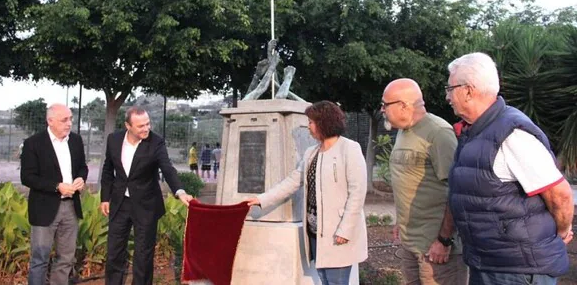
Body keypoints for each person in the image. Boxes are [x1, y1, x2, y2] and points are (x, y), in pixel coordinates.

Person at [445, 52, 574, 285]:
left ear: (468, 90)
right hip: (490, 265)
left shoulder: (512, 135)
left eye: (450, 88)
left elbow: (560, 195)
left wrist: (561, 232)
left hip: (518, 271)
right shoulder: (475, 132)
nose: (448, 96)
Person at [246, 101, 367, 285]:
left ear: (323, 122)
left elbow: (357, 193)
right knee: (325, 279)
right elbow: (293, 181)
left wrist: (345, 230)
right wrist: (261, 199)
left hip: (338, 232)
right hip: (316, 232)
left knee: (336, 281)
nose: (308, 126)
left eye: (311, 122)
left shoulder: (349, 148)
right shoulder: (312, 152)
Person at [381, 78, 468, 284]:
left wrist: (444, 240)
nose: (382, 110)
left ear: (403, 105)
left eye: (385, 104)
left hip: (437, 248)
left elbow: (457, 192)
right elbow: (408, 180)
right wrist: (400, 222)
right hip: (411, 244)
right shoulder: (403, 132)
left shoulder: (438, 133)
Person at [100, 106, 193, 284]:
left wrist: (180, 191)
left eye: (148, 124)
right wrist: (105, 197)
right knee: (114, 252)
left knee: (143, 255)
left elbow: (167, 168)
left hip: (146, 205)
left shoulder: (156, 142)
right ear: (128, 125)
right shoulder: (114, 139)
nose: (146, 129)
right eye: (140, 126)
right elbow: (107, 169)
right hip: (120, 204)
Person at [20, 104, 88, 285]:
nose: (69, 123)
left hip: (71, 207)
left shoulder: (75, 141)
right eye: (64, 120)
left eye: (71, 119)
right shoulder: (33, 143)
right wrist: (57, 186)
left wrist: (81, 178)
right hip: (44, 208)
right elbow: (27, 177)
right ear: (50, 121)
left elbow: (82, 167)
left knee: (66, 258)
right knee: (40, 259)